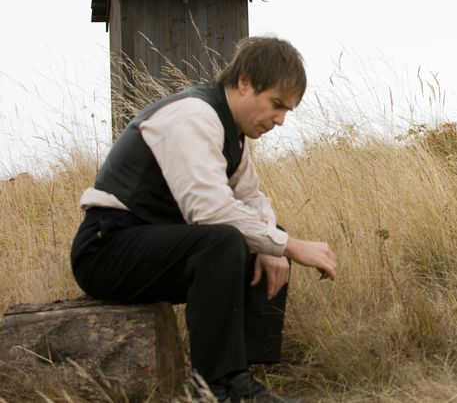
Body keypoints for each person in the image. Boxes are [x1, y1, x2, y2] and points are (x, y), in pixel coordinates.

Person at [70, 37, 337, 402]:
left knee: (265, 237)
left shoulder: (234, 135)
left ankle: (246, 375)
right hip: (106, 248)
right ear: (244, 83)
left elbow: (251, 198)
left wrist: (276, 243)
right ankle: (219, 387)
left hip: (153, 246)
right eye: (276, 105)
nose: (280, 120)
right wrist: (289, 246)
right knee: (225, 240)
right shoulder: (195, 116)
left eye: (287, 110)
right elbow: (209, 212)